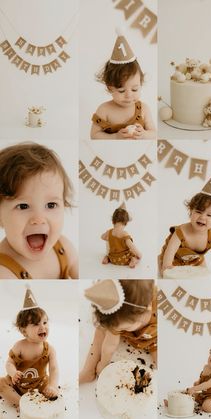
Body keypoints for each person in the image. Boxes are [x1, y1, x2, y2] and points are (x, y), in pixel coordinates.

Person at [0, 142, 78, 279]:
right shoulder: (4, 273)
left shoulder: (63, 249)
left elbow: (90, 286)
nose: (38, 219)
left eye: (51, 205)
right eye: (23, 206)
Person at [79, 279, 157, 384]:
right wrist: (103, 364)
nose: (115, 330)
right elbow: (109, 346)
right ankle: (88, 370)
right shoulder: (118, 317)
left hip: (152, 337)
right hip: (122, 316)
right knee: (101, 331)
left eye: (123, 327)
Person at [159, 168, 211, 279]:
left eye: (209, 215)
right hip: (175, 260)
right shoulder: (181, 232)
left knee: (204, 276)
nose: (202, 217)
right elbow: (169, 252)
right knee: (170, 276)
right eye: (198, 211)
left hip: (195, 261)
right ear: (191, 212)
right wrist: (166, 267)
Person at [90, 29, 156, 140]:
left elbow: (154, 134)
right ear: (110, 88)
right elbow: (94, 135)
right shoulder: (104, 110)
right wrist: (115, 137)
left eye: (134, 89)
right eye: (121, 91)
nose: (129, 95)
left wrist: (144, 134)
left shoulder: (143, 109)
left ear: (141, 84)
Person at [0, 288, 59, 407]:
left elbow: (54, 369)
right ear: (24, 331)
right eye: (36, 324)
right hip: (18, 385)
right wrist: (13, 373)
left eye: (45, 322)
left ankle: (33, 400)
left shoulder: (49, 349)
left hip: (40, 384)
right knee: (1, 384)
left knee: (50, 391)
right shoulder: (19, 346)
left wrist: (52, 386)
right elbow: (9, 363)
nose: (43, 327)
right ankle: (21, 402)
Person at [101, 204, 141, 268]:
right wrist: (139, 255)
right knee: (136, 256)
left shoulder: (109, 232)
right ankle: (133, 261)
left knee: (108, 245)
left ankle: (107, 258)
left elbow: (102, 237)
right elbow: (133, 248)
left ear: (112, 221)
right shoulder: (124, 234)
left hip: (113, 259)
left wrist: (109, 237)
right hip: (124, 260)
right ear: (126, 222)